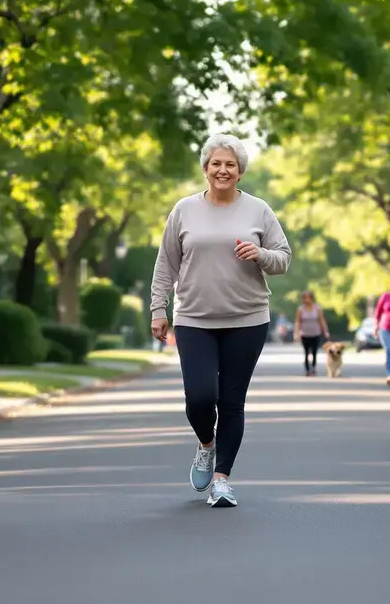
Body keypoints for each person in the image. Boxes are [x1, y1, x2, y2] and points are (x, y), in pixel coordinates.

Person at [150, 133, 292, 508]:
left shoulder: (259, 210)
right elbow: (166, 263)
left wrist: (260, 253)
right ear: (205, 169)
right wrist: (157, 309)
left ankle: (221, 480)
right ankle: (206, 444)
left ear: (240, 172)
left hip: (247, 318)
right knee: (200, 397)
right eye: (216, 163)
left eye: (230, 164)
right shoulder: (183, 210)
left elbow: (283, 258)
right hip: (194, 318)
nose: (223, 170)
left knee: (231, 401)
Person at [294, 290, 330, 376]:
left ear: (312, 298)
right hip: (305, 334)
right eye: (304, 298)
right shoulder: (300, 309)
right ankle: (307, 370)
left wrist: (325, 331)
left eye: (308, 297)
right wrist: (296, 333)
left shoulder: (317, 308)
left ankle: (313, 368)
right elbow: (298, 322)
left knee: (314, 352)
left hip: (316, 333)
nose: (306, 299)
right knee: (306, 352)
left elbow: (321, 320)